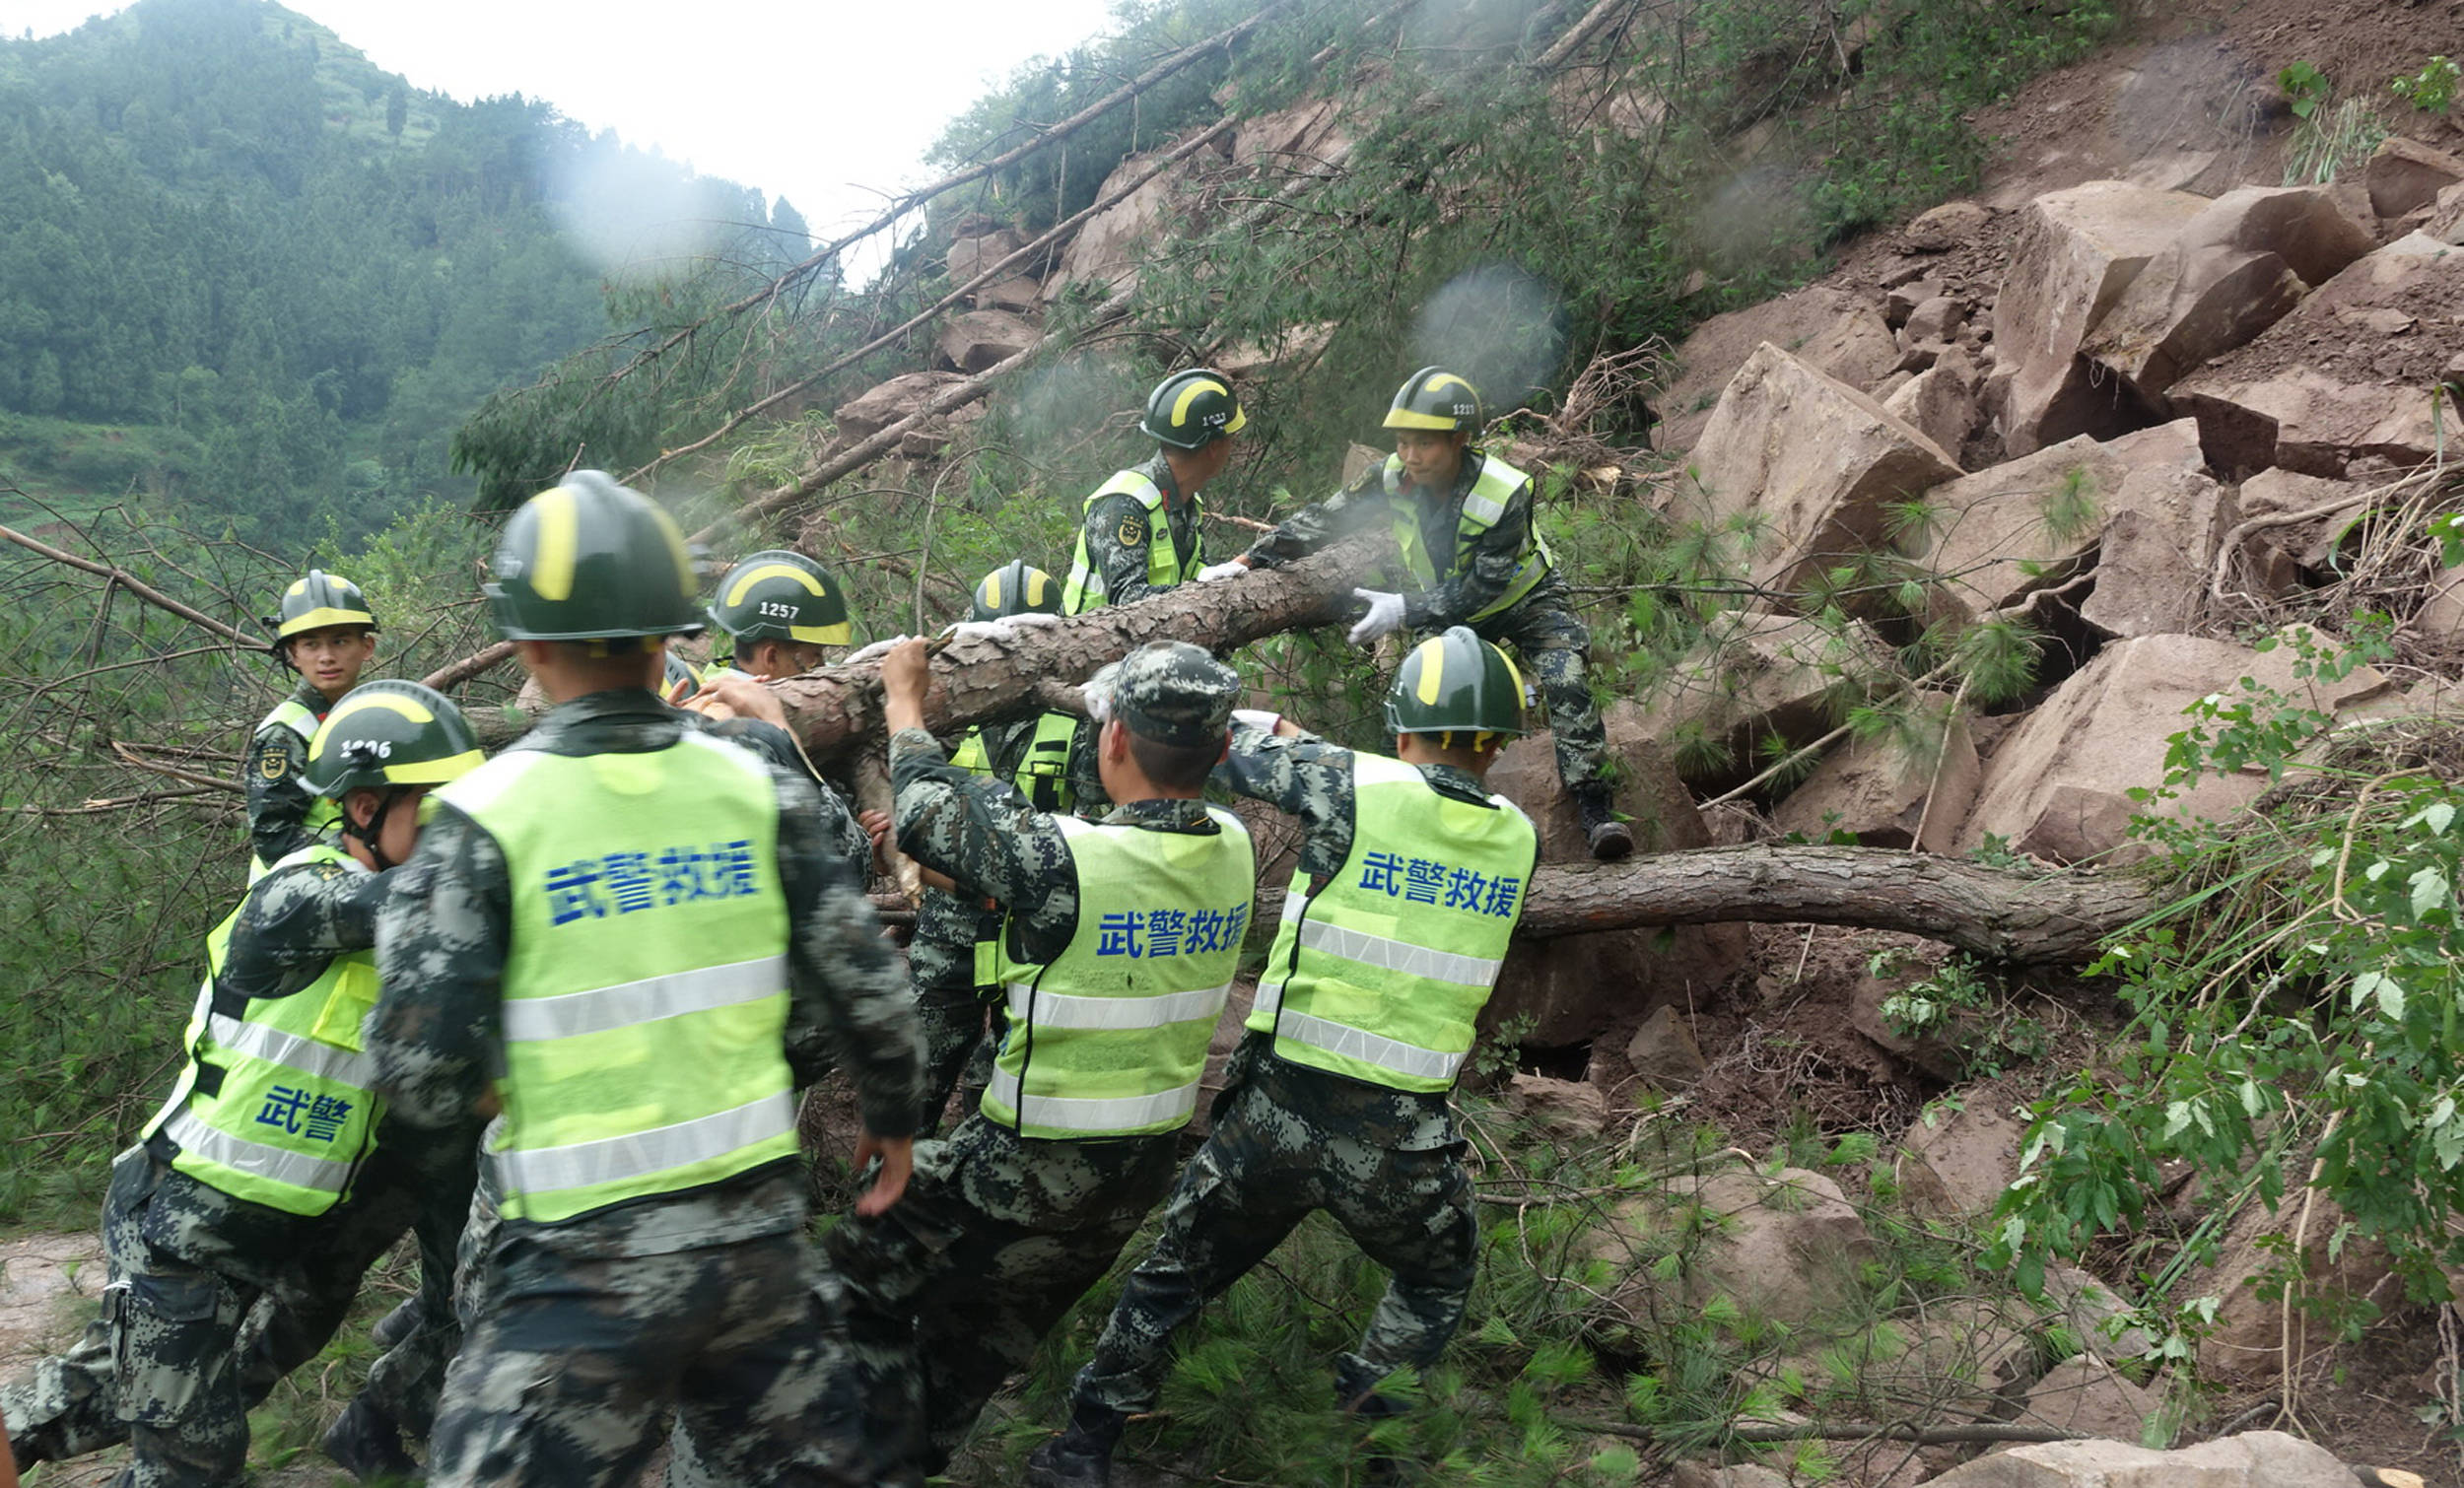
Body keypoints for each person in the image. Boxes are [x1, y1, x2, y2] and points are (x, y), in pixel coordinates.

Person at [364, 469, 924, 1488]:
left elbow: (416, 1073)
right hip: (758, 1251)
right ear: (672, 639)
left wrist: (496, 1085)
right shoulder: (755, 780)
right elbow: (868, 985)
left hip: (576, 1271)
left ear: (528, 648)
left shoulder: (481, 819)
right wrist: (892, 1113)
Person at [1025, 628, 1540, 1487]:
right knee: (1437, 1279)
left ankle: (1082, 1447)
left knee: (1175, 1277)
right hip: (1403, 1140)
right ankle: (1370, 1432)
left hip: (1277, 1114)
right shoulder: (1518, 836)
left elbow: (1214, 749)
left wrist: (1119, 693)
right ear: (1499, 741)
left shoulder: (1354, 781)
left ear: (1401, 726)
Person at [3, 679, 485, 1487]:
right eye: (436, 810)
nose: (454, 835)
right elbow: (420, 898)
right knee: (194, 1456)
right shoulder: (300, 892)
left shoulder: (418, 927)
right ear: (362, 806)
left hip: (291, 1232)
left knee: (133, 1388)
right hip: (183, 1231)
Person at [828, 638, 1257, 1481]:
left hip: (1014, 1176)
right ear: (1224, 751)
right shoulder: (1235, 848)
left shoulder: (1068, 856)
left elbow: (929, 808)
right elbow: (1029, 890)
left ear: (1115, 741)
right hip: (1125, 1189)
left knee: (844, 1282)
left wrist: (905, 705)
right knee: (967, 1362)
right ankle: (905, 1460)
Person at [1198, 366, 1635, 860]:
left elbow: (1482, 586)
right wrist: (1248, 560)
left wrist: (1405, 609)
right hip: (1441, 605)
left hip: (1525, 601)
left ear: (1459, 440)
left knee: (1567, 677)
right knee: (1414, 695)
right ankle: (1409, 806)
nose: (1410, 456)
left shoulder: (1504, 491)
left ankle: (1595, 810)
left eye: (1424, 444)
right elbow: (1326, 518)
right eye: (1403, 442)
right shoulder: (1391, 474)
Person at [909, 560, 1076, 1127]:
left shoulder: (1081, 726)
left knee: (1004, 1096)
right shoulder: (942, 717)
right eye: (992, 644)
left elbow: (1096, 840)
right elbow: (905, 830)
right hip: (947, 934)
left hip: (1035, 944)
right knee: (916, 1083)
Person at [1060, 369, 1246, 614]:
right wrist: (1203, 590)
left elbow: (1193, 574)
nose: (1233, 447)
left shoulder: (1186, 502)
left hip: (1154, 642)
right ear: (1214, 446)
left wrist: (1248, 560)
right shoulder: (1123, 505)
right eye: (1231, 438)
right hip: (1089, 645)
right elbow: (1127, 599)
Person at [244, 570, 378, 880]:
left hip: (357, 887)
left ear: (366, 647)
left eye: (340, 640)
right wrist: (357, 852)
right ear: (293, 654)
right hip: (295, 902)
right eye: (311, 645)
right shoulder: (288, 731)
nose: (326, 657)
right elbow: (272, 837)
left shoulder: (370, 715)